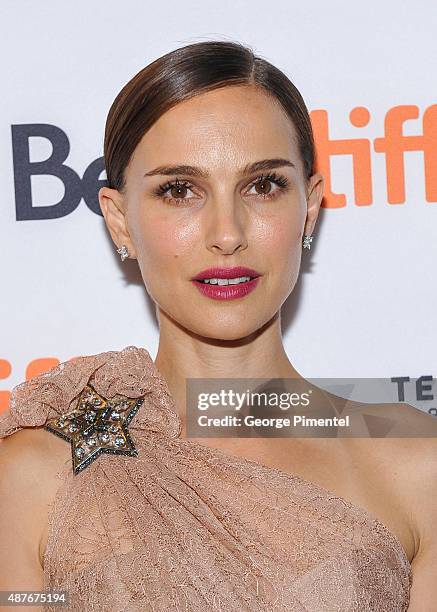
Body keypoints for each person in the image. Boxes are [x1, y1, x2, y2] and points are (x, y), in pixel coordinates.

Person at [0, 39, 436, 612]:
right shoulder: (33, 476)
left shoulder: (414, 462)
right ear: (120, 220)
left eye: (263, 185)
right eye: (180, 191)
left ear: (309, 208)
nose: (227, 232)